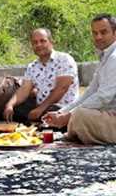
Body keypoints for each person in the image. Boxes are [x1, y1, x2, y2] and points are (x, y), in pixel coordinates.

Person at [43, 14, 116, 144]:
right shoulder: (105, 57)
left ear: (115, 33)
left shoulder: (114, 58)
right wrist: (62, 112)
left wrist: (69, 115)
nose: (98, 37)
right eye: (95, 33)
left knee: (80, 115)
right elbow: (90, 92)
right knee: (67, 111)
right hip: (106, 115)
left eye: (103, 32)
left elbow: (104, 97)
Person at [3, 28, 79, 123]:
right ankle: (37, 122)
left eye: (42, 41)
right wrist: (10, 105)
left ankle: (42, 121)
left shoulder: (64, 59)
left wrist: (41, 109)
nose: (38, 45)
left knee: (52, 111)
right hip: (41, 108)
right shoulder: (32, 66)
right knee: (16, 110)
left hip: (62, 107)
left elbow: (61, 88)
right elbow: (24, 90)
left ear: (51, 42)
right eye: (35, 42)